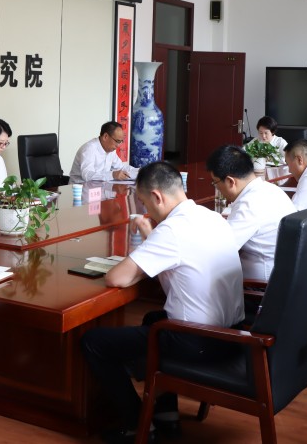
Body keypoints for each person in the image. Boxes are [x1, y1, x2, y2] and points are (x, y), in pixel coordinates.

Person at [81, 162, 244, 443]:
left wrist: (147, 240)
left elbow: (116, 278)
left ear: (157, 196)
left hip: (198, 341)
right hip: (231, 334)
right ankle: (166, 415)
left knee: (93, 342)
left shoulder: (172, 230)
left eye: (145, 203)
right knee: (153, 319)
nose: (147, 210)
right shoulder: (211, 217)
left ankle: (136, 425)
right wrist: (150, 235)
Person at [206, 145, 296, 281]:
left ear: (230, 181)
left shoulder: (248, 205)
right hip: (285, 273)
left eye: (215, 183)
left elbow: (219, 249)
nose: (217, 188)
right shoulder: (271, 189)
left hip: (261, 286)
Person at [69, 121, 138, 184]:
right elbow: (87, 175)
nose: (118, 145)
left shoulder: (110, 150)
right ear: (105, 137)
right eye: (117, 141)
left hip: (99, 188)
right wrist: (112, 175)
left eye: (121, 142)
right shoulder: (89, 148)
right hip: (79, 189)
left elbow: (121, 167)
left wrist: (140, 171)